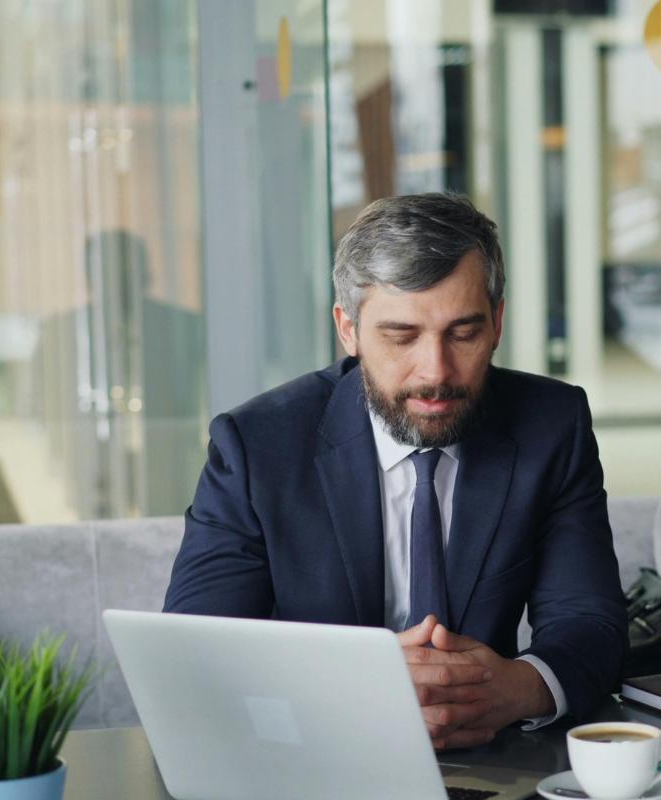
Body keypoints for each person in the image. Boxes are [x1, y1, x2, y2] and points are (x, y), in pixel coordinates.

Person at [164, 192, 628, 750]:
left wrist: (518, 688)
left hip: (488, 761)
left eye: (463, 333)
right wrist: (363, 685)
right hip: (314, 758)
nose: (435, 371)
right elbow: (197, 653)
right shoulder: (257, 447)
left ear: (497, 322)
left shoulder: (551, 426)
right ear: (348, 329)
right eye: (401, 336)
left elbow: (590, 624)